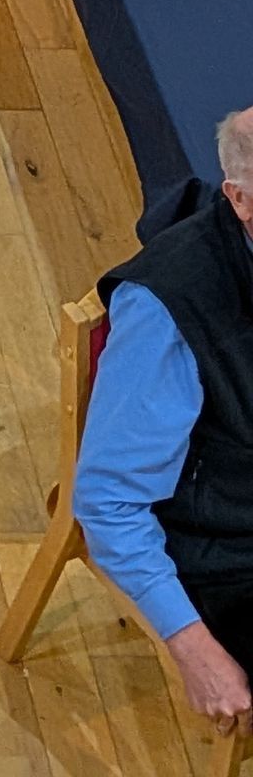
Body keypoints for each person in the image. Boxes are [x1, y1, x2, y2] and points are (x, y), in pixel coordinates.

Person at [78, 109, 253, 738]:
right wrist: (193, 647)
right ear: (240, 200)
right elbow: (110, 502)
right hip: (226, 545)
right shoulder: (168, 308)